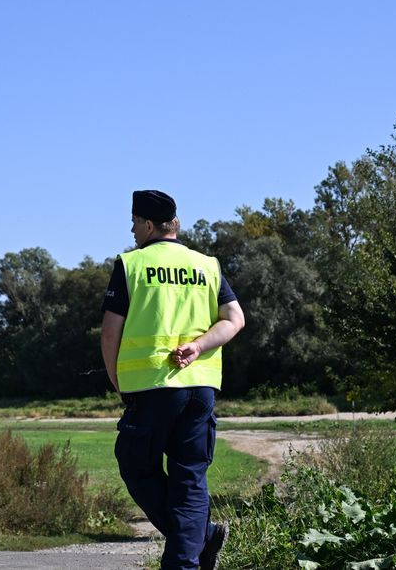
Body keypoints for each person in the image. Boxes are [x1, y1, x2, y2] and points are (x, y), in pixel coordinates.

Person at [100, 189, 245, 570]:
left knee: (135, 465)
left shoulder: (132, 264)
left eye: (134, 223)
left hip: (152, 387)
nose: (132, 231)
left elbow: (110, 331)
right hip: (200, 389)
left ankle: (188, 556)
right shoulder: (206, 265)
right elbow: (234, 319)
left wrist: (116, 379)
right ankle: (200, 539)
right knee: (189, 478)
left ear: (148, 225)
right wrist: (199, 346)